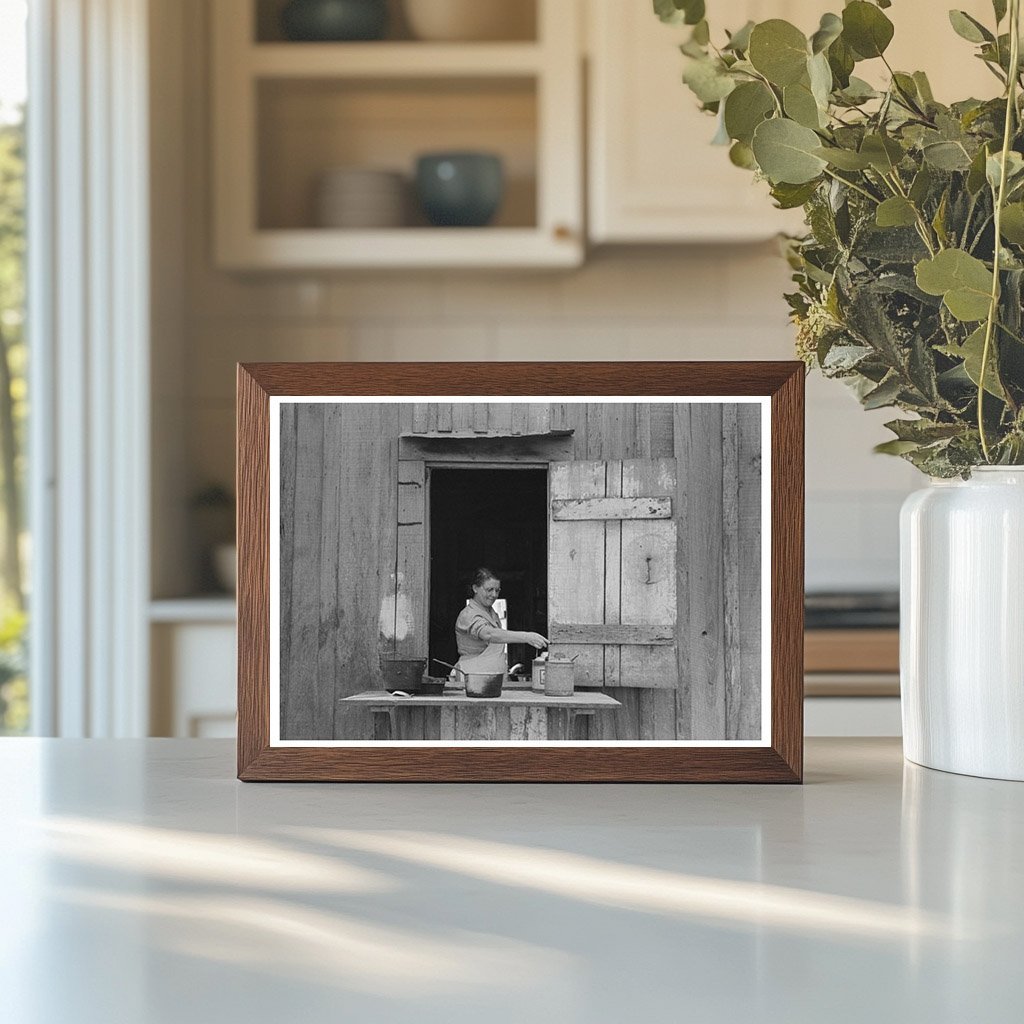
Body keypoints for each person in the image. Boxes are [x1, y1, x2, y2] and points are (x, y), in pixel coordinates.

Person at [454, 568, 548, 677]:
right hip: (472, 676)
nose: (494, 595)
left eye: (497, 590)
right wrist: (527, 637)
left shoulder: (491, 613)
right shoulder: (468, 614)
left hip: (492, 676)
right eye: (489, 590)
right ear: (475, 588)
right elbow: (489, 634)